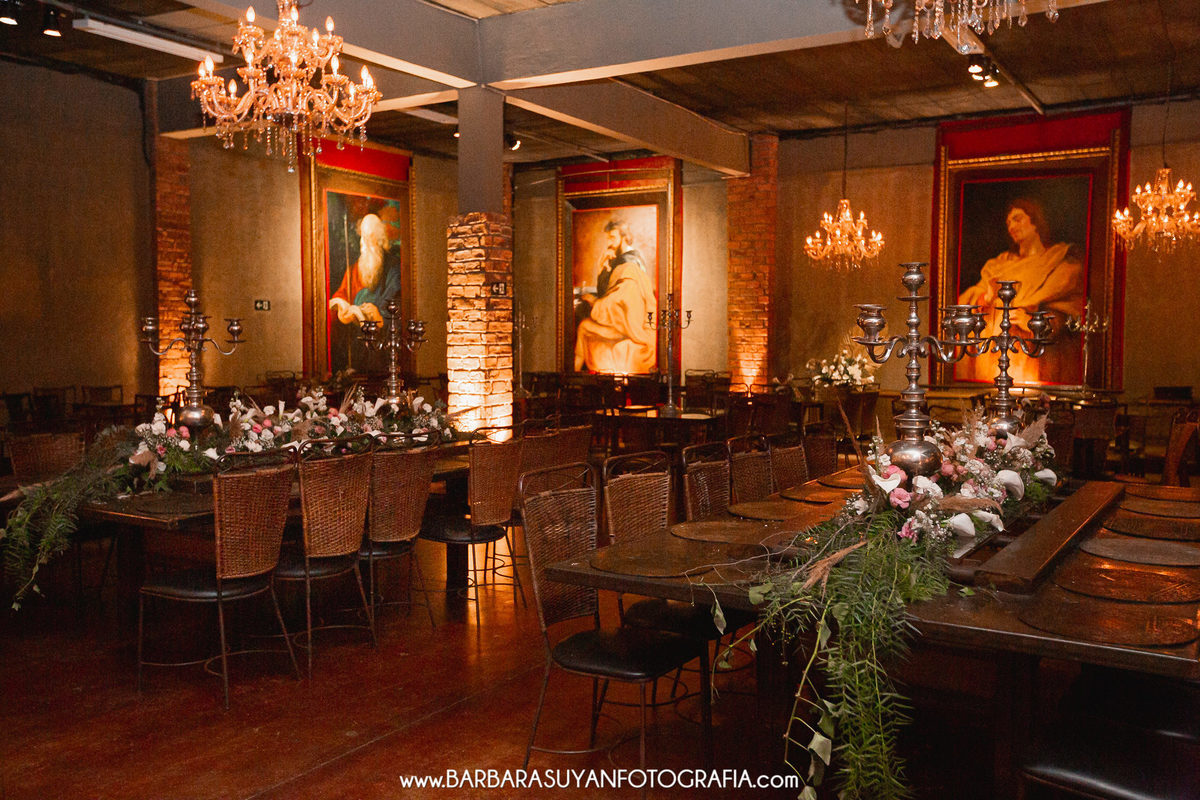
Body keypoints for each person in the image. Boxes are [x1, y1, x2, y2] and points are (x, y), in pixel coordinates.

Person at [957, 198, 1084, 384]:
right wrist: (984, 297)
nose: (1011, 227)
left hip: (1031, 359)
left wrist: (1033, 322)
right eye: (1008, 223)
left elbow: (1067, 313)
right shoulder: (999, 264)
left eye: (1017, 219)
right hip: (991, 356)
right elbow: (970, 300)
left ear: (1035, 221)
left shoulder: (1059, 261)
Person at [573, 218, 657, 374]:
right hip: (620, 319)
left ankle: (574, 377)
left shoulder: (629, 263)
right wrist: (601, 267)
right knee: (583, 321)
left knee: (582, 324)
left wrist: (594, 301)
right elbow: (607, 292)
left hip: (628, 325)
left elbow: (618, 299)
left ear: (624, 237)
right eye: (608, 238)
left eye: (612, 238)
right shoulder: (621, 261)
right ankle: (574, 376)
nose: (609, 243)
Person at [328, 213, 402, 326]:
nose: (363, 242)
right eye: (363, 236)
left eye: (369, 236)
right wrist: (340, 310)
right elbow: (341, 295)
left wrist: (380, 317)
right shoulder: (353, 270)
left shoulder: (394, 267)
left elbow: (397, 306)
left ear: (380, 238)